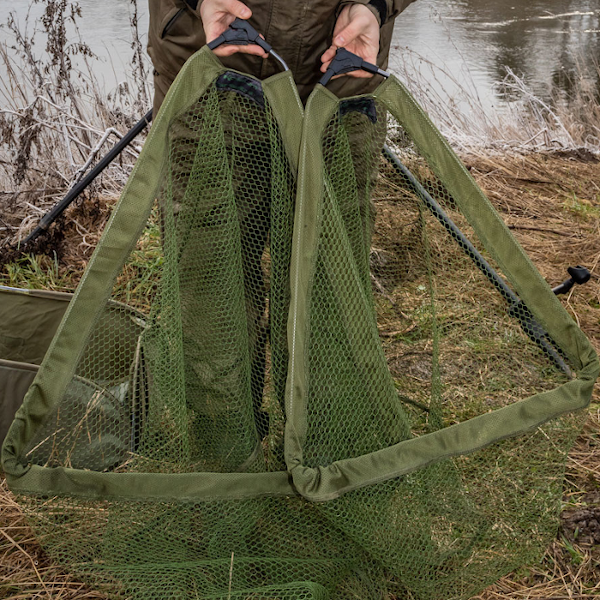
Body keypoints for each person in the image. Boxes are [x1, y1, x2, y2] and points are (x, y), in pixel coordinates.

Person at [147, 0, 418, 113]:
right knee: (203, 230)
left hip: (343, 93)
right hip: (209, 87)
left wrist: (376, 5)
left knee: (330, 230)